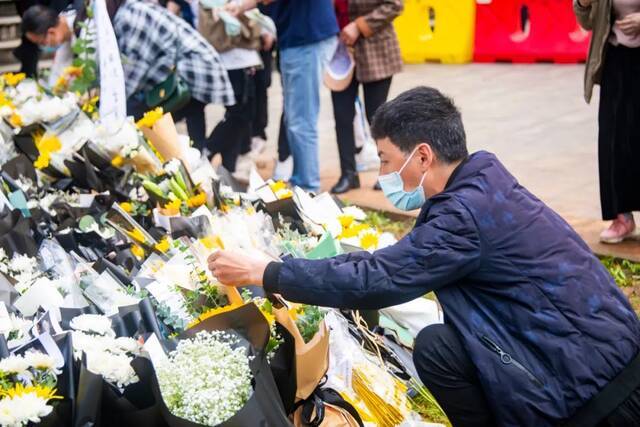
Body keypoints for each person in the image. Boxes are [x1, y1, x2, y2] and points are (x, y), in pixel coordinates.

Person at [209, 87, 640, 427]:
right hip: (596, 354)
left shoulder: (465, 215)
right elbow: (398, 262)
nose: (382, 176)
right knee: (438, 346)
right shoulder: (481, 183)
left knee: (437, 348)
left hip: (598, 390)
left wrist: (268, 273)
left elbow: (376, 279)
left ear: (422, 155)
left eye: (385, 160)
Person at [227, 0, 338, 192]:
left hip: (306, 39)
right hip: (297, 39)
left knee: (301, 121)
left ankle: (307, 188)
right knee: (294, 119)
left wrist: (242, 5)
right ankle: (300, 181)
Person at [574, 0, 640, 243]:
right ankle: (622, 217)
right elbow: (587, 22)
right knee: (613, 138)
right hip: (616, 57)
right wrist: (583, 3)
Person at [329, 0, 403, 194]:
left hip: (376, 51)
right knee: (342, 115)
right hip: (340, 50)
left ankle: (387, 174)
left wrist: (359, 26)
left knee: (377, 117)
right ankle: (348, 174)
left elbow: (395, 5)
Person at [21, 4, 78, 89]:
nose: (43, 46)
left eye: (42, 42)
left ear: (52, 32)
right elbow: (58, 72)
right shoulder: (64, 29)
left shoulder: (83, 25)